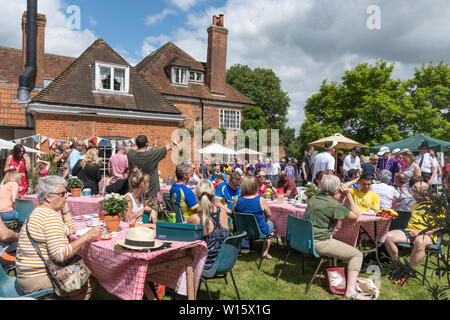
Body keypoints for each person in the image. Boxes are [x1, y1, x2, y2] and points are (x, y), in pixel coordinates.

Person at [15, 176, 102, 299]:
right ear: (48, 197)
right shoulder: (50, 217)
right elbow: (60, 254)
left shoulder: (38, 212)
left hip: (25, 276)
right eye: (62, 193)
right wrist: (88, 236)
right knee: (89, 281)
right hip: (36, 279)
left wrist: (65, 209)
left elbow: (69, 230)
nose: (66, 196)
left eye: (66, 192)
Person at [303, 174, 369, 300]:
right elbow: (355, 216)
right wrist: (348, 195)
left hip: (305, 239)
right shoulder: (332, 206)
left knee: (339, 242)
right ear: (335, 188)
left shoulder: (315, 197)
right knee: (357, 255)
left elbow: (334, 206)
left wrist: (341, 196)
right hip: (320, 242)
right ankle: (350, 291)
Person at [384, 181, 440, 280]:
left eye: (414, 192)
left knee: (419, 241)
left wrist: (420, 233)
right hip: (409, 232)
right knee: (388, 236)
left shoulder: (435, 206)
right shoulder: (415, 205)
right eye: (412, 191)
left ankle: (409, 272)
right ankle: (397, 265)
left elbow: (439, 226)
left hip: (428, 234)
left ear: (424, 192)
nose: (412, 194)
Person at [127, 135, 173, 219]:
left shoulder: (130, 155)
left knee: (135, 218)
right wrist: (169, 144)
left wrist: (135, 146)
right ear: (147, 144)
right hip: (150, 191)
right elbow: (167, 147)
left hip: (135, 192)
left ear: (137, 144)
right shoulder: (152, 155)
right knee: (151, 217)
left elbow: (130, 149)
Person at [188, 180, 228, 270]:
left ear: (197, 197)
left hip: (203, 265)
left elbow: (186, 243)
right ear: (213, 195)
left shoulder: (194, 218)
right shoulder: (223, 212)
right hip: (224, 262)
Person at [233, 176, 274, 260]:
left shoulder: (237, 200)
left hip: (241, 229)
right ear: (255, 186)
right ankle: (265, 252)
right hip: (258, 230)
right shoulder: (261, 200)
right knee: (271, 226)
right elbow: (269, 214)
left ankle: (238, 250)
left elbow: (233, 214)